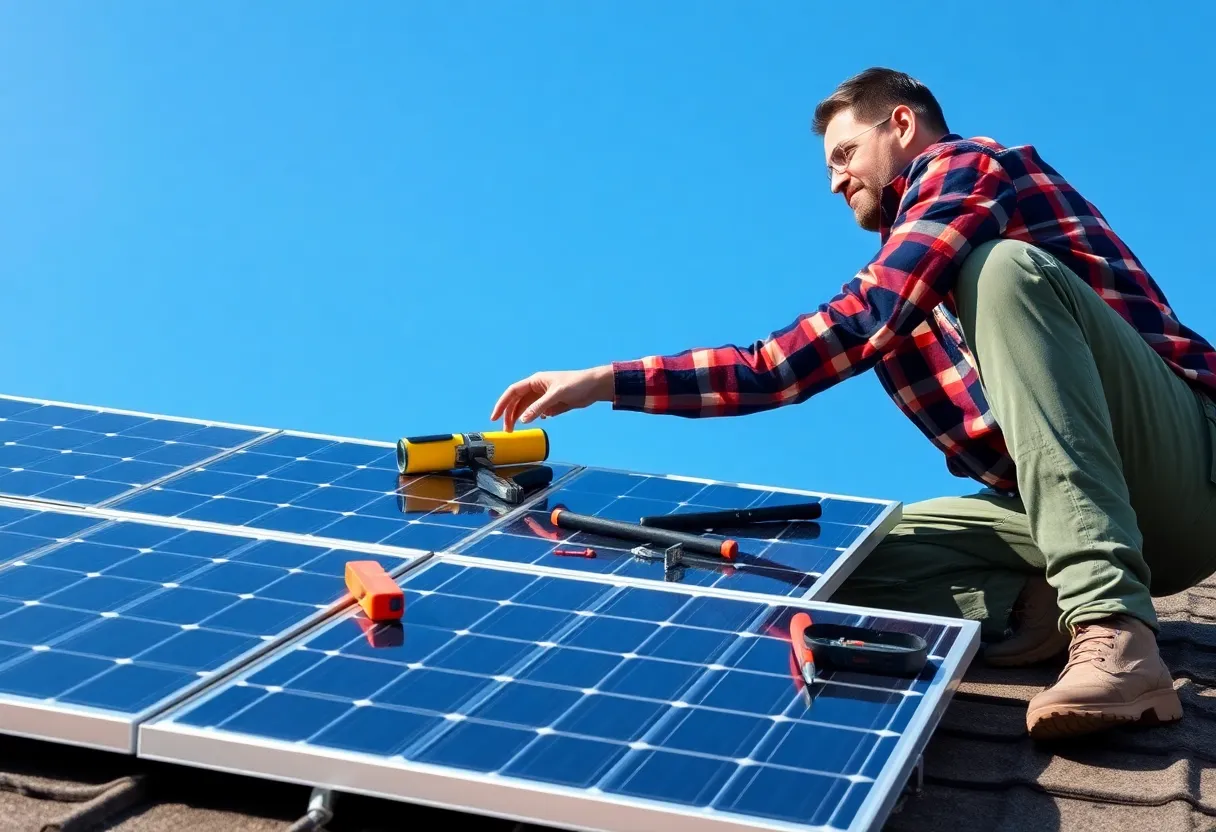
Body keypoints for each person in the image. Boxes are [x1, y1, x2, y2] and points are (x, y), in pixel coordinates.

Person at [489, 67, 1216, 740]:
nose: (834, 183)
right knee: (830, 557)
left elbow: (841, 332)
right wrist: (608, 380)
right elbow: (775, 368)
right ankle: (1031, 608)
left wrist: (611, 380)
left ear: (900, 125)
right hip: (1094, 516)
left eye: (843, 155)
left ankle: (1114, 632)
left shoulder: (969, 168)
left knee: (1004, 273)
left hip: (1188, 476)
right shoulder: (906, 293)